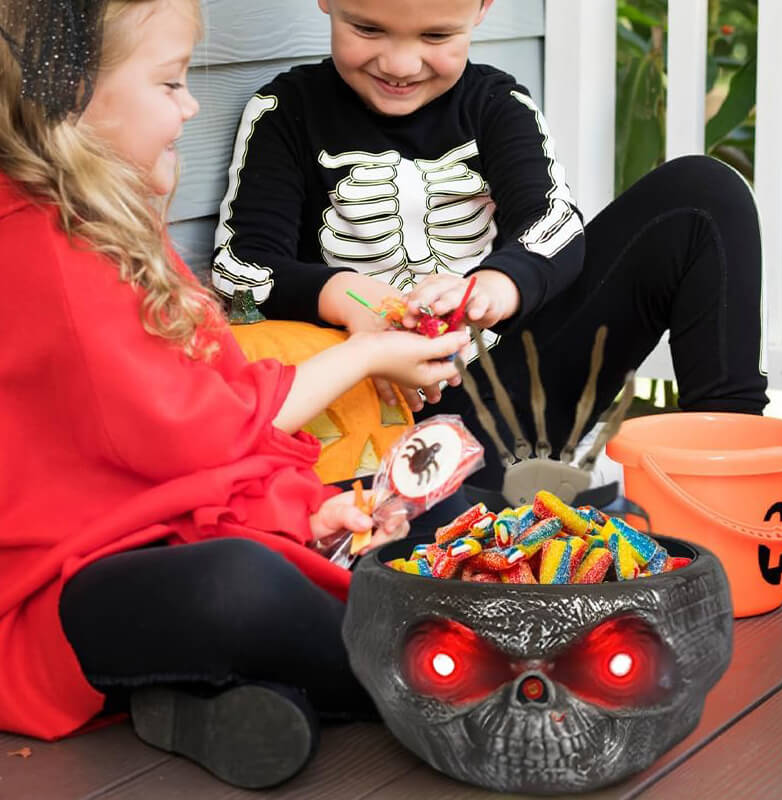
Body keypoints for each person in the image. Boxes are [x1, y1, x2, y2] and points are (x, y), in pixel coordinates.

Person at [0, 0, 470, 789]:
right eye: (172, 83)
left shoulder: (102, 227)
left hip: (158, 536)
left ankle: (204, 701)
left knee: (438, 503)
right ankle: (453, 662)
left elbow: (203, 418)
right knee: (239, 589)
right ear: (72, 93)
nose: (189, 106)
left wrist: (305, 510)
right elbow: (205, 431)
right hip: (58, 601)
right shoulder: (44, 249)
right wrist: (368, 355)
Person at [213, 0, 769, 490]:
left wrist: (495, 286)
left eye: (436, 37)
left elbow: (551, 223)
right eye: (367, 29)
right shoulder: (286, 114)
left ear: (482, 7)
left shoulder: (496, 105)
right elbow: (242, 266)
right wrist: (346, 297)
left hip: (509, 392)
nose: (401, 64)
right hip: (368, 421)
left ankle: (736, 467)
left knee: (702, 194)